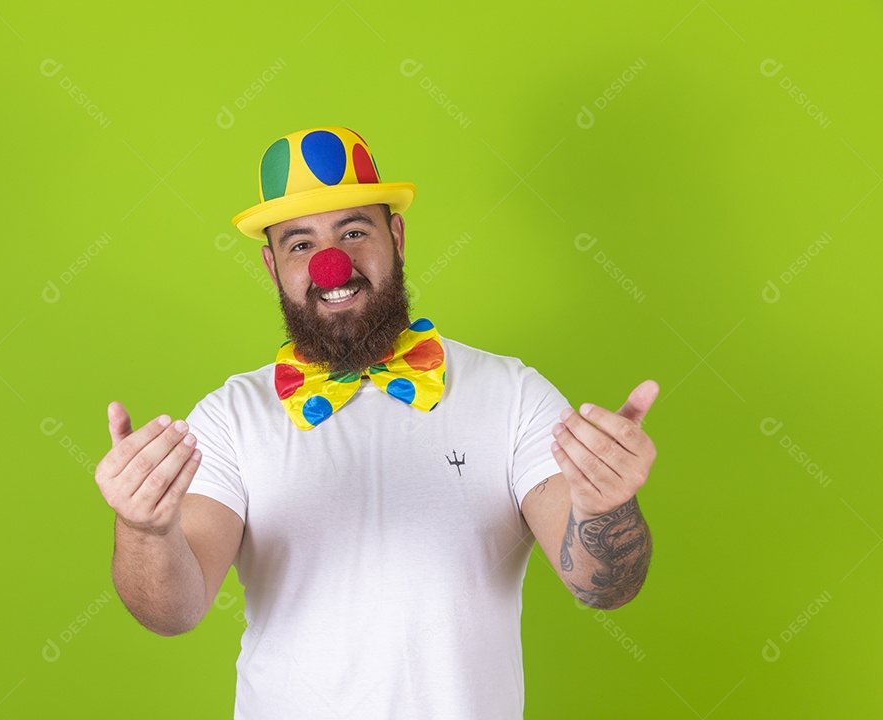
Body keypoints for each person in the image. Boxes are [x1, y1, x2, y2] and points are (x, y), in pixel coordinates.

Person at [94, 126, 659, 719]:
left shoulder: (512, 394)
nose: (331, 264)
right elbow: (172, 612)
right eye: (299, 243)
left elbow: (601, 586)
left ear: (397, 236)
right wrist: (145, 531)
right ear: (272, 266)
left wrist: (605, 509)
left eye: (354, 232)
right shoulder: (229, 417)